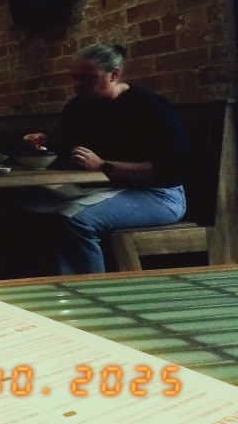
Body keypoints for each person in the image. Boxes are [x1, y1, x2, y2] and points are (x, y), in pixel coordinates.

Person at [20, 43, 188, 274]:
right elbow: (67, 146)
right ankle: (40, 282)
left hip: (159, 195)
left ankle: (89, 290)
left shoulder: (149, 106)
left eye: (88, 78)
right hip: (103, 189)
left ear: (114, 74)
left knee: (73, 219)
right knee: (22, 204)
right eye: (75, 77)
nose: (78, 84)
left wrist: (103, 166)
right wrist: (45, 141)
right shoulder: (78, 106)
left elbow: (173, 168)